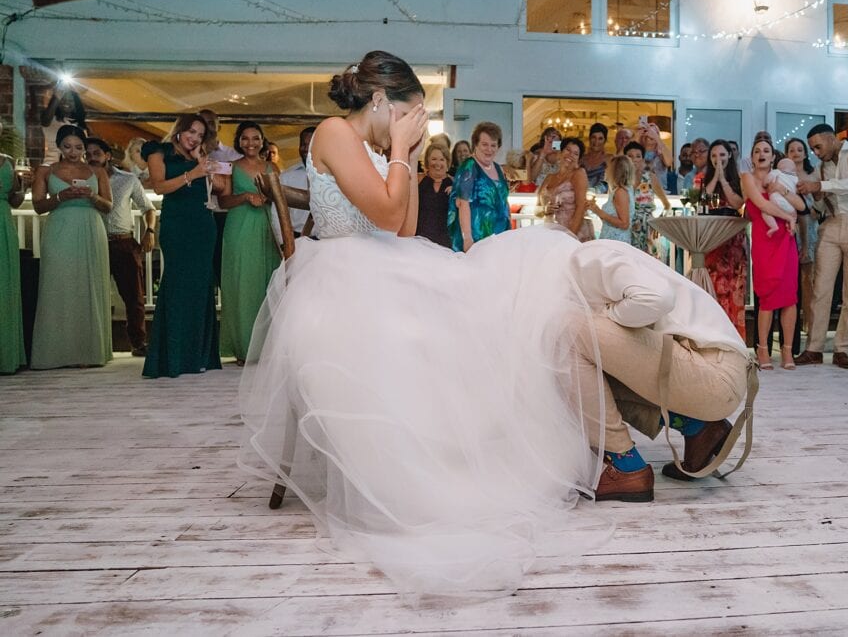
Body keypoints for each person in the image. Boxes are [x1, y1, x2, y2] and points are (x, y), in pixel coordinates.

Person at [239, 50, 606, 597]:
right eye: (409, 114)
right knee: (437, 319)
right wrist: (405, 151)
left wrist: (399, 154)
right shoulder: (335, 132)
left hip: (382, 260)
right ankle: (432, 468)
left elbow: (403, 228)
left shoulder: (374, 146)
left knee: (494, 284)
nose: (411, 126)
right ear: (382, 100)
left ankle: (469, 448)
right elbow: (387, 217)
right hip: (341, 274)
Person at [568, 239, 755, 500]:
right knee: (588, 360)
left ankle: (624, 465)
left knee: (569, 332)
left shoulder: (584, 260)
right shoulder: (593, 258)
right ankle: (697, 428)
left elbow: (657, 298)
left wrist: (607, 315)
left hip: (713, 372)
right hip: (716, 371)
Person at [143, 113, 225, 378]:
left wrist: (207, 168)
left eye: (200, 135)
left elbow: (220, 189)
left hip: (203, 225)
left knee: (202, 287)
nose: (194, 138)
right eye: (191, 132)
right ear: (179, 130)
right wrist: (193, 174)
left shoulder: (199, 158)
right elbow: (159, 187)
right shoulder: (159, 151)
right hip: (177, 226)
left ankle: (199, 355)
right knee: (177, 284)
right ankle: (172, 357)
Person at [30, 124, 113, 369]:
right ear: (59, 146)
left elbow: (109, 206)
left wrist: (92, 196)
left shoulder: (97, 171)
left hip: (90, 227)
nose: (73, 152)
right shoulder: (46, 171)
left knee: (87, 285)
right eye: (67, 146)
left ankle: (88, 352)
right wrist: (59, 197)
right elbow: (37, 206)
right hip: (59, 229)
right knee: (58, 285)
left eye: (78, 147)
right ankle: (55, 351)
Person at [794, 123, 848, 370]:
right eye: (812, 149)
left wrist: (819, 186)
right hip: (830, 225)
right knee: (820, 290)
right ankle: (814, 348)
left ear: (831, 139)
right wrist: (816, 198)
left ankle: (842, 349)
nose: (815, 152)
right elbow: (819, 208)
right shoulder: (822, 167)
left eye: (818, 146)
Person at [218, 121, 282, 365]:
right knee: (242, 286)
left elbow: (281, 200)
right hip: (240, 229)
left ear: (263, 140)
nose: (251, 143)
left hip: (267, 228)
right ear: (238, 141)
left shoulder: (272, 168)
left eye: (255, 138)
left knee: (267, 284)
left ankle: (267, 349)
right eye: (245, 138)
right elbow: (223, 202)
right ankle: (244, 348)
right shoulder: (229, 167)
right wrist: (245, 196)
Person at [86, 137, 156, 358]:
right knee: (91, 294)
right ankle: (93, 343)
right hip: (93, 241)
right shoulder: (81, 179)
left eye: (96, 153)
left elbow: (148, 208)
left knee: (134, 296)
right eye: (87, 154)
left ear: (108, 155)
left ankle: (138, 342)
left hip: (123, 240)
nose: (91, 157)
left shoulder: (127, 179)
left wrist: (149, 231)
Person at [743, 140, 804, 370]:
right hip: (765, 240)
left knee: (789, 296)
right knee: (766, 297)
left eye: (766, 151)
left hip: (786, 240)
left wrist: (783, 191)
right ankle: (762, 349)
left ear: (773, 156)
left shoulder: (782, 177)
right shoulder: (747, 178)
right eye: (757, 150)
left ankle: (787, 351)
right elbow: (761, 204)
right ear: (752, 156)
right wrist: (788, 218)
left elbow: (800, 205)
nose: (762, 154)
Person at [700, 139, 748, 340]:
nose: (717, 159)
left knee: (734, 288)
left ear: (729, 155)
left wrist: (724, 180)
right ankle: (714, 335)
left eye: (722, 155)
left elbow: (739, 203)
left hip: (734, 240)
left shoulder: (739, 178)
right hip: (713, 239)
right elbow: (703, 200)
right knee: (714, 287)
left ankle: (735, 337)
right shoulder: (705, 179)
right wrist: (715, 177)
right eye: (713, 156)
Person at [448, 121, 510, 252]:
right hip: (477, 240)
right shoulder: (469, 167)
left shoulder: (499, 169)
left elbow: (504, 202)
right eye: (485, 144)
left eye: (493, 145)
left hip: (500, 238)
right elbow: (462, 203)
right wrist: (467, 238)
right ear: (475, 144)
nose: (489, 149)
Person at [198, 109, 242, 287]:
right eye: (202, 123)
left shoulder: (233, 155)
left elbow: (227, 186)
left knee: (224, 270)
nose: (207, 128)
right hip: (199, 216)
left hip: (224, 216)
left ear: (218, 126)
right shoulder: (189, 155)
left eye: (210, 123)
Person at [786, 137, 820, 342]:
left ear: (806, 153)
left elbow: (821, 201)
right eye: (792, 150)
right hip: (791, 228)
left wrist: (816, 210)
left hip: (811, 229)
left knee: (809, 279)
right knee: (792, 280)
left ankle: (810, 322)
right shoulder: (782, 176)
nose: (796, 153)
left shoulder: (813, 175)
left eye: (800, 149)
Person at [0, 145, 27, 374]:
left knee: (5, 286)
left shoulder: (8, 160)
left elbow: (15, 200)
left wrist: (24, 185)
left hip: (3, 222)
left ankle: (6, 355)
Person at [537, 136, 593, 242]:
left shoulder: (578, 173)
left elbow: (580, 207)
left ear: (578, 159)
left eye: (576, 153)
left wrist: (569, 237)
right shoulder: (549, 178)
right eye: (568, 150)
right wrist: (545, 209)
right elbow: (536, 210)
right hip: (551, 233)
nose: (570, 155)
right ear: (560, 152)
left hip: (574, 232)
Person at [624, 141, 670, 255]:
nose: (634, 159)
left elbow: (667, 205)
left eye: (638, 156)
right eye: (630, 156)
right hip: (627, 228)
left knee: (649, 265)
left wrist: (657, 224)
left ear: (643, 160)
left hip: (648, 229)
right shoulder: (621, 180)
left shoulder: (650, 178)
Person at [276, 126, 316, 241]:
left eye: (311, 144)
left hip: (326, 242)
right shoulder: (286, 177)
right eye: (303, 144)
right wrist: (283, 242)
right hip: (296, 240)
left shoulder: (333, 176)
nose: (306, 148)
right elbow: (277, 213)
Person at [587, 154, 634, 243]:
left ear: (616, 171)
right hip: (611, 239)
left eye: (608, 167)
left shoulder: (620, 192)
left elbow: (624, 224)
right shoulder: (619, 190)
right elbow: (611, 220)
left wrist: (598, 211)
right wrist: (595, 210)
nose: (605, 170)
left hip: (616, 241)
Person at [416, 141, 453, 247]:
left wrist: (456, 192)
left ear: (447, 163)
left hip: (446, 243)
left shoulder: (455, 184)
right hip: (419, 240)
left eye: (442, 159)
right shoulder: (417, 180)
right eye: (434, 159)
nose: (437, 163)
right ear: (427, 161)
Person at [41, 84, 88, 166]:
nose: (66, 103)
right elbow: (45, 121)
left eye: (70, 100)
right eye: (63, 100)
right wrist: (56, 97)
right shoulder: (52, 120)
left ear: (75, 104)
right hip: (53, 164)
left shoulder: (79, 124)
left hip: (77, 167)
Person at [762, 158, 799, 237]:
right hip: (790, 206)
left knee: (765, 211)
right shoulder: (796, 179)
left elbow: (766, 181)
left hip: (776, 202)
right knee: (793, 215)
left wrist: (765, 184)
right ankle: (791, 228)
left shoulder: (777, 172)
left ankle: (774, 227)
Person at [581, 123, 609, 193]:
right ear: (589, 138)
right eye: (594, 137)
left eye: (600, 138)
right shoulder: (581, 159)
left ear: (605, 141)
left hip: (602, 200)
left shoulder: (609, 159)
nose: (596, 141)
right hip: (581, 198)